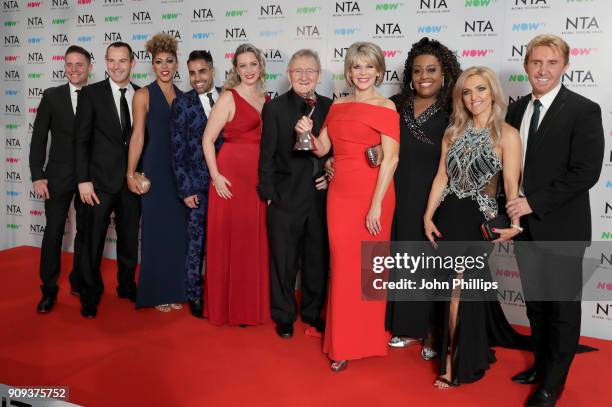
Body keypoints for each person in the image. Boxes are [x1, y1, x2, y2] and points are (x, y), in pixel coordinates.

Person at [506, 34, 604, 407]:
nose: (542, 70)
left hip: (562, 227)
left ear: (565, 65)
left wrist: (532, 203)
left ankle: (553, 383)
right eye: (536, 62)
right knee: (536, 304)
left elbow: (585, 173)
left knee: (561, 307)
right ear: (526, 65)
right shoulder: (516, 110)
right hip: (524, 227)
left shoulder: (583, 109)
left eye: (551, 63)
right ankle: (541, 365)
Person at [422, 66, 529, 388]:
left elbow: (511, 184)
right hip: (450, 217)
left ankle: (455, 361)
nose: (474, 98)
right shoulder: (453, 132)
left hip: (481, 219)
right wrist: (428, 216)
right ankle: (473, 347)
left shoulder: (507, 135)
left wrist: (514, 222)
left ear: (493, 92)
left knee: (459, 291)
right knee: (458, 292)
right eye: (467, 92)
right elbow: (442, 177)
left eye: (481, 90)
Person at [297, 42, 399, 371]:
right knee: (342, 268)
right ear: (349, 71)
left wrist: (376, 206)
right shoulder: (338, 106)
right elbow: (322, 148)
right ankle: (342, 343)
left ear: (379, 70)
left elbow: (391, 159)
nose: (363, 73)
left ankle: (366, 339)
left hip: (374, 193)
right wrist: (307, 134)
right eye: (357, 67)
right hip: (340, 195)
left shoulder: (386, 107)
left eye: (369, 67)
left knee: (370, 270)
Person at [385, 37, 461, 357]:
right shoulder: (396, 104)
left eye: (431, 70)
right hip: (399, 193)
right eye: (417, 71)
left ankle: (432, 332)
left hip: (436, 197)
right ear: (410, 74)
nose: (424, 76)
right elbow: (380, 146)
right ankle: (406, 327)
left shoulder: (454, 108)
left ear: (444, 74)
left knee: (432, 265)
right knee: (404, 260)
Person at [257, 49, 332, 338]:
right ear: (289, 74)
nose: (304, 76)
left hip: (318, 198)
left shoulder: (329, 107)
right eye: (298, 71)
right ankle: (284, 314)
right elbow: (266, 155)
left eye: (310, 71)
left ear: (319, 75)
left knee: (316, 260)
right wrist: (269, 193)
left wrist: (329, 175)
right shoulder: (274, 108)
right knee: (284, 262)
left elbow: (334, 152)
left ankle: (312, 313)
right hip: (285, 198)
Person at [202, 43, 270, 326]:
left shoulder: (264, 99)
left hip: (256, 176)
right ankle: (228, 308)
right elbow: (207, 139)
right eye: (243, 65)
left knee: (252, 241)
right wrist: (216, 176)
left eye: (253, 64)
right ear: (236, 69)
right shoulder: (228, 98)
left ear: (260, 66)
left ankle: (249, 307)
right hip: (230, 175)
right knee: (231, 240)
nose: (249, 70)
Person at [74, 42, 140, 318]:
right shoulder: (90, 94)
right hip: (98, 183)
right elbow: (81, 140)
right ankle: (90, 294)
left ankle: (126, 286)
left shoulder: (141, 94)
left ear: (132, 62)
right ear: (105, 62)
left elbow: (142, 140)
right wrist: (83, 180)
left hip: (130, 183)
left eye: (122, 60)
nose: (116, 66)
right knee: (93, 241)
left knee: (128, 240)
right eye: (111, 61)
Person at [29, 45, 92, 313]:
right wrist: (38, 175)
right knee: (53, 232)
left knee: (86, 233)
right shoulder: (52, 96)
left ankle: (79, 281)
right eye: (69, 64)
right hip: (57, 176)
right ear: (64, 66)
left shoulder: (99, 95)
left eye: (80, 64)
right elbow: (39, 139)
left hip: (89, 177)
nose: (74, 69)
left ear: (90, 67)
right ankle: (48, 289)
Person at [126, 33, 187, 312]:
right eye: (159, 61)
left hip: (180, 173)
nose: (164, 66)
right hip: (155, 169)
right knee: (154, 232)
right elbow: (137, 136)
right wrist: (131, 173)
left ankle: (175, 289)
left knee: (177, 233)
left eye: (169, 61)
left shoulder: (186, 98)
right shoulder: (143, 94)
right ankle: (156, 292)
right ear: (152, 65)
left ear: (177, 65)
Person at [169, 50, 223, 319]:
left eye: (202, 71)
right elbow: (176, 151)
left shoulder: (228, 96)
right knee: (197, 244)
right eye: (192, 73)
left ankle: (222, 294)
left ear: (212, 70)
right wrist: (186, 189)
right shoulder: (182, 104)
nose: (197, 78)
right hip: (199, 187)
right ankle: (195, 295)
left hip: (228, 185)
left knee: (223, 244)